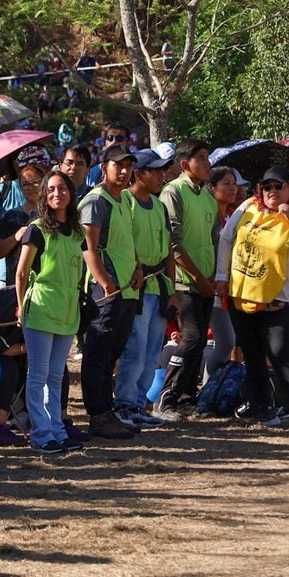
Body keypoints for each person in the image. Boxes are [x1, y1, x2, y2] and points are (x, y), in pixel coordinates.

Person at [215, 166, 289, 430]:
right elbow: (226, 240)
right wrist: (221, 277)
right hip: (243, 296)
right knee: (253, 355)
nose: (272, 191)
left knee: (281, 354)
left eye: (278, 185)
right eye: (266, 185)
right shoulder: (247, 207)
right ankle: (263, 409)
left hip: (281, 300)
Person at [14, 171, 84, 454]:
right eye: (51, 189)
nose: (58, 194)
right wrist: (20, 307)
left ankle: (56, 429)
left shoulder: (78, 232)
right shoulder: (37, 229)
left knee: (56, 375)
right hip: (41, 308)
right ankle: (41, 434)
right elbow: (21, 272)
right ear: (44, 195)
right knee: (39, 374)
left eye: (63, 188)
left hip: (67, 311)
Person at [78, 144, 140, 439]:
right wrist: (105, 283)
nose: (124, 171)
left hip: (126, 289)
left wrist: (138, 267)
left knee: (112, 353)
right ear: (105, 168)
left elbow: (125, 240)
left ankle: (107, 409)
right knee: (98, 352)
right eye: (118, 165)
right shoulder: (96, 201)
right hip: (105, 291)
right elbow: (88, 248)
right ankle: (98, 415)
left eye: (128, 165)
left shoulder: (123, 200)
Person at [155, 139, 219, 421]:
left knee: (200, 342)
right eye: (201, 158)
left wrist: (214, 276)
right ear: (184, 164)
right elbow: (174, 243)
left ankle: (186, 398)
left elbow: (214, 239)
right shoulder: (173, 191)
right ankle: (166, 397)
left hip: (207, 280)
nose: (208, 163)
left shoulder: (207, 195)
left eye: (208, 157)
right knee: (191, 338)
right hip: (184, 281)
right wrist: (197, 276)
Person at [114, 151, 177, 427]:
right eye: (156, 171)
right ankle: (124, 404)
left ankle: (139, 403)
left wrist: (172, 289)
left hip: (158, 286)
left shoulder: (159, 205)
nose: (162, 176)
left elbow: (168, 250)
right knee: (136, 349)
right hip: (135, 286)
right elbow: (124, 242)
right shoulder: (125, 201)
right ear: (139, 174)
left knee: (152, 351)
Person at [204, 166, 239, 381]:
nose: (233, 189)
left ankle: (212, 387)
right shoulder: (207, 216)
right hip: (211, 284)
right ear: (211, 187)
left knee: (230, 341)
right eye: (226, 184)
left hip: (230, 286)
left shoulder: (233, 217)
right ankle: (207, 387)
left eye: (234, 184)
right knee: (225, 340)